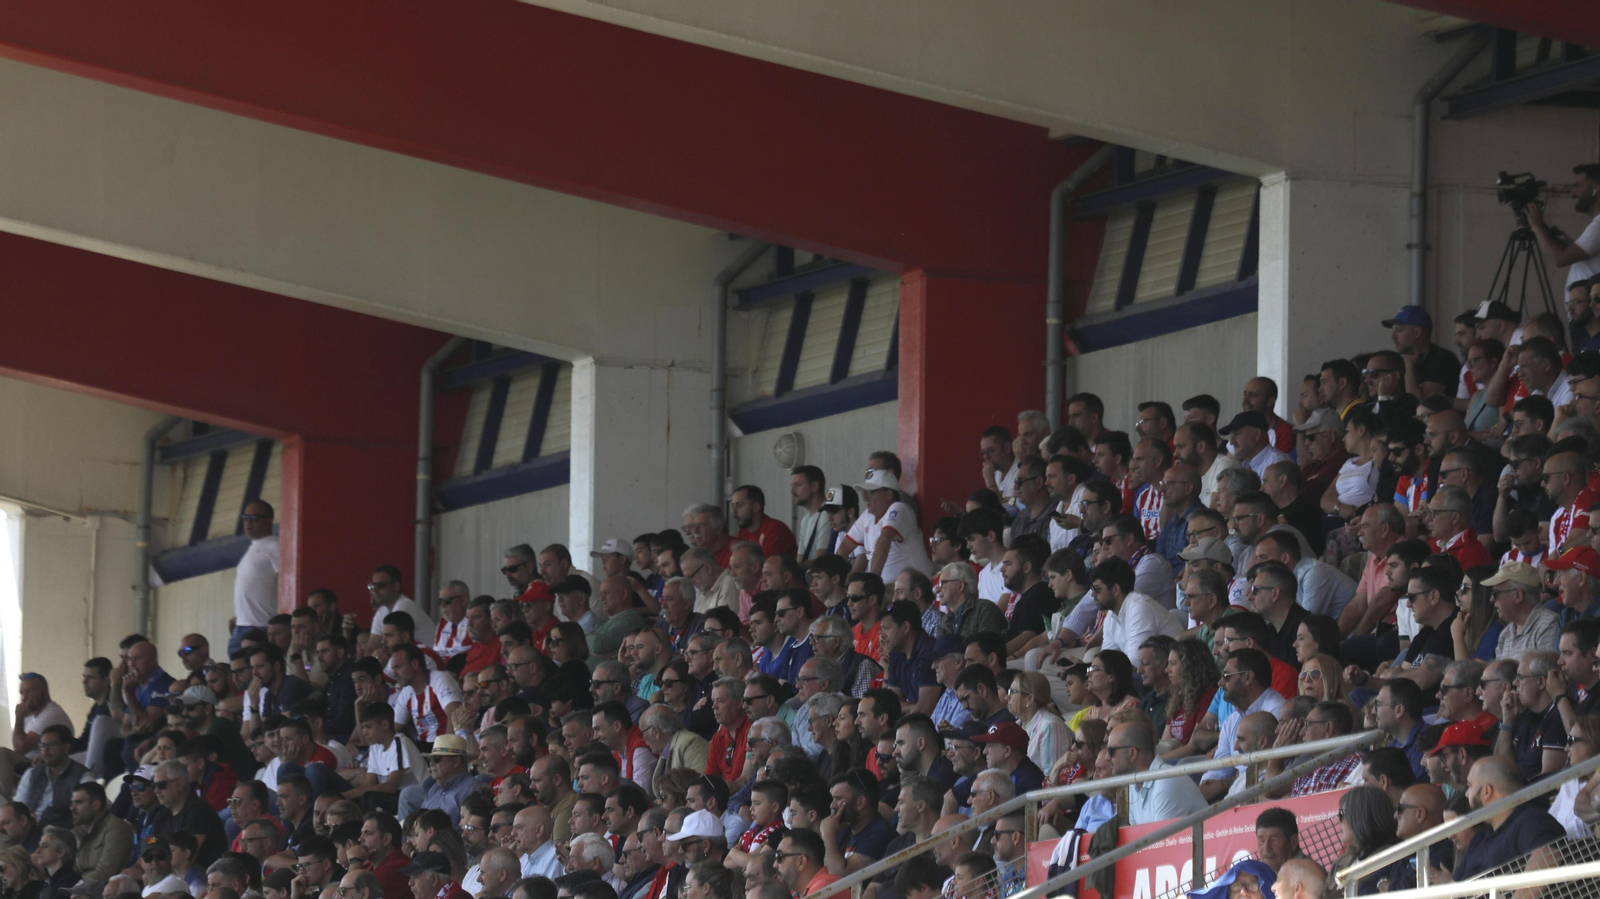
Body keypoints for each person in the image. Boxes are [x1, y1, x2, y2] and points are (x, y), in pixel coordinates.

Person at [1454, 756, 1566, 881]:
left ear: (1486, 792)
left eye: (1470, 786)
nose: (1466, 793)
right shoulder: (1481, 836)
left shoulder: (1530, 821)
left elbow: (1548, 856)